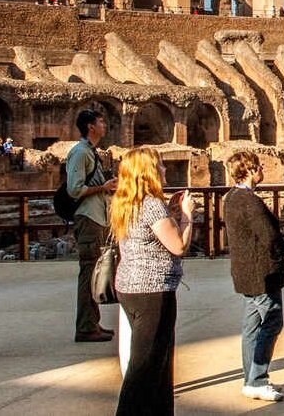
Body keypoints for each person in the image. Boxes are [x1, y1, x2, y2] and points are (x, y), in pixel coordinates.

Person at [110, 147, 193, 416]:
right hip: (153, 291)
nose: (165, 170)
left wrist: (170, 215)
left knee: (157, 361)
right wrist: (188, 215)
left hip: (129, 287)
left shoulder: (125, 202)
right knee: (146, 367)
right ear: (149, 173)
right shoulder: (151, 205)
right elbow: (178, 246)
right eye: (160, 166)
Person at [223, 150, 284, 402]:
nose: (262, 170)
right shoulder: (249, 200)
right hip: (261, 273)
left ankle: (250, 379)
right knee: (272, 323)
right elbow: (269, 236)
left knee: (251, 327)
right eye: (259, 166)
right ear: (251, 170)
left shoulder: (230, 197)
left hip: (245, 273)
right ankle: (257, 380)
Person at [67, 109, 118, 342]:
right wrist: (103, 188)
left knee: (95, 271)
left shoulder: (90, 151)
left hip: (96, 216)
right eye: (101, 121)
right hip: (87, 217)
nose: (104, 125)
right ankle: (86, 327)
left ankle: (92, 322)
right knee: (89, 272)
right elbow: (74, 189)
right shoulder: (80, 153)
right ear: (90, 126)